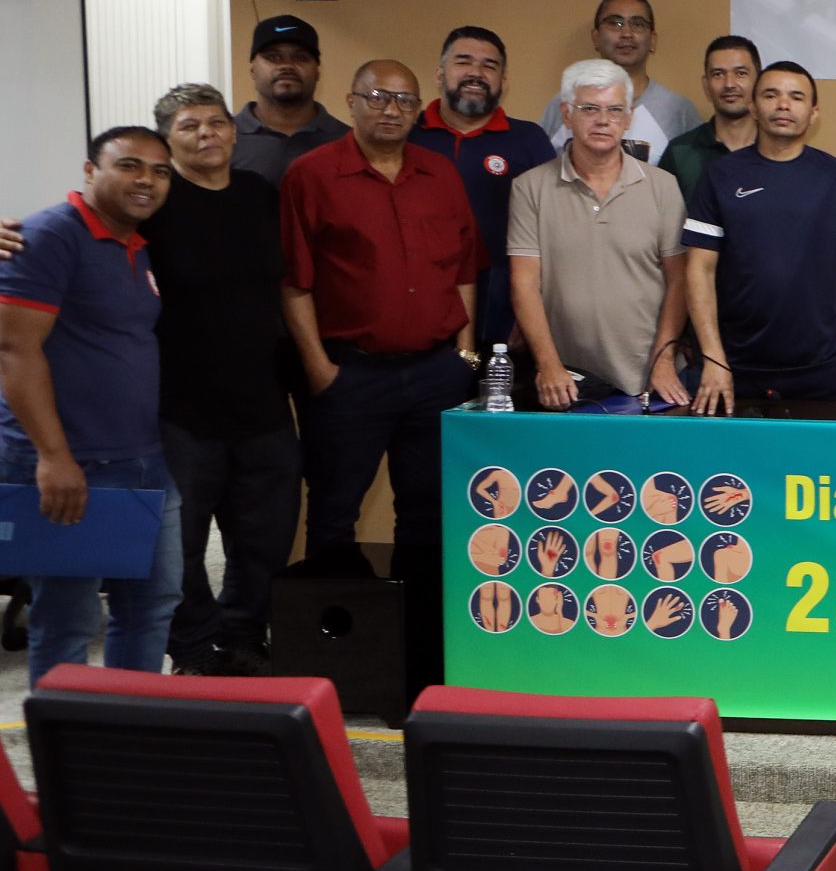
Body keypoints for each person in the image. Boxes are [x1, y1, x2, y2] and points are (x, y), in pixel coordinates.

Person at [279, 59, 482, 689]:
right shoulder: (312, 175)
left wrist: (464, 352)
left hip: (433, 375)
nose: (389, 109)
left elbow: (466, 269)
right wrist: (318, 368)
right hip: (351, 376)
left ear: (420, 107)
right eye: (375, 97)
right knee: (336, 512)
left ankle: (420, 654)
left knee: (426, 513)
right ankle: (338, 665)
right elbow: (294, 280)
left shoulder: (441, 174)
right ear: (351, 101)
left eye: (402, 99)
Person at [0, 128, 185, 682]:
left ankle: (125, 731)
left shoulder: (139, 244)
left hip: (142, 459)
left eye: (158, 171)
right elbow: (14, 349)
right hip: (72, 463)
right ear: (89, 171)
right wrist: (53, 457)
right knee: (68, 617)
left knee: (152, 603)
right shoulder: (50, 234)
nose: (145, 180)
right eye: (129, 166)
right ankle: (67, 753)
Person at [150, 85, 300, 675]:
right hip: (182, 404)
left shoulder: (257, 194)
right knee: (180, 545)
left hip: (262, 398)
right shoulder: (156, 200)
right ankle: (192, 645)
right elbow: (87, 224)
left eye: (217, 122)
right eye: (190, 126)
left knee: (264, 536)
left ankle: (241, 635)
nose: (207, 133)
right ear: (168, 138)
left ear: (235, 132)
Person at [683, 61, 836, 410]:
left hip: (823, 371)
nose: (783, 105)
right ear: (753, 106)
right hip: (736, 369)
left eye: (796, 97)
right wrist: (713, 358)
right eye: (771, 95)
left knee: (818, 465)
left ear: (813, 112)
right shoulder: (720, 176)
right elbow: (699, 268)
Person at [506, 61, 692, 408]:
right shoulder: (529, 188)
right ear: (566, 113)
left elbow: (679, 280)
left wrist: (663, 361)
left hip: (651, 379)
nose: (603, 120)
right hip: (567, 380)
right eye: (589, 108)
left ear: (629, 116)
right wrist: (548, 365)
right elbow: (524, 283)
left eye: (614, 109)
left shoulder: (663, 187)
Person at [410, 25, 556, 352]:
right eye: (463, 62)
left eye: (489, 66)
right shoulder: (408, 136)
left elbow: (555, 233)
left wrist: (533, 315)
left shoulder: (529, 141)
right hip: (420, 321)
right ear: (439, 74)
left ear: (503, 82)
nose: (476, 73)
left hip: (506, 321)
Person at [537, 0, 702, 163]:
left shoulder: (679, 110)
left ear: (652, 40)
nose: (626, 34)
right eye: (615, 23)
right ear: (595, 37)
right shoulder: (565, 104)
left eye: (638, 24)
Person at [230, 14, 349, 184]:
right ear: (253, 70)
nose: (287, 66)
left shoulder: (348, 141)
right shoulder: (223, 139)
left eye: (300, 58)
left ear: (317, 72)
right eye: (273, 57)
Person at [661, 36, 762, 202]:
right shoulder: (680, 152)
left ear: (758, 81)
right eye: (718, 74)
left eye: (741, 73)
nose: (729, 84)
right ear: (706, 85)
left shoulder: (777, 149)